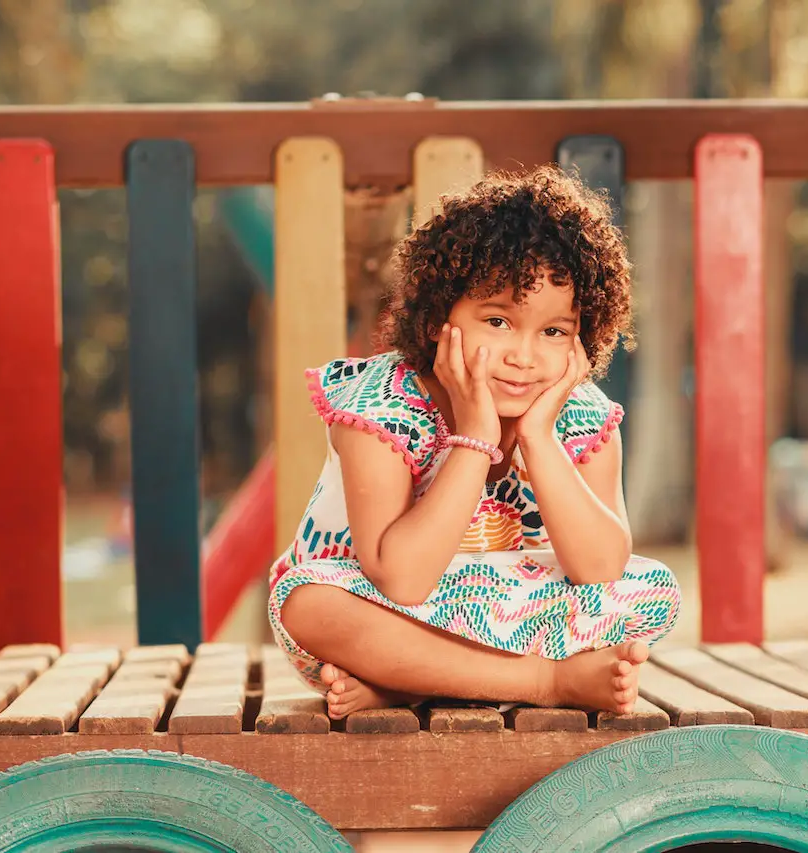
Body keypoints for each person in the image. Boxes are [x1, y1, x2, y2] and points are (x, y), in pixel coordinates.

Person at [269, 165, 681, 718]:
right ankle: (543, 682)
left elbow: (602, 566)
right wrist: (474, 437)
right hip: (389, 610)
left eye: (554, 332)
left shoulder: (583, 417)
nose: (525, 356)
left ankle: (407, 686)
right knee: (307, 604)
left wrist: (538, 437)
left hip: (513, 610)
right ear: (441, 317)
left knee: (652, 588)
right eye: (498, 321)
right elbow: (404, 580)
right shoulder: (378, 405)